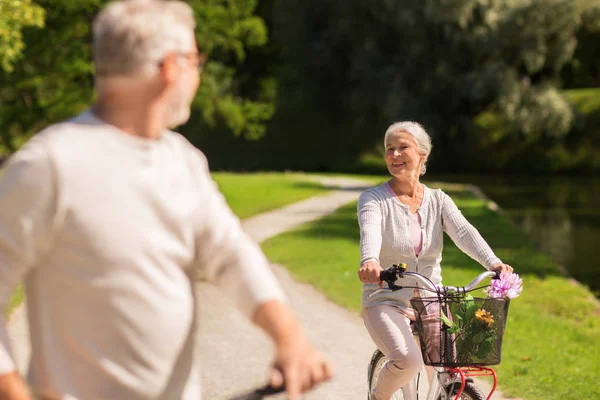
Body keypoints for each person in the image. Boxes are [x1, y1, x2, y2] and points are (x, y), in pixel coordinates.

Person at [0, 1, 332, 399]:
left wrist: (290, 339)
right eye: (196, 60)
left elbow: (230, 254)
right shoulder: (50, 164)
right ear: (171, 67)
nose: (197, 74)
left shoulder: (184, 161)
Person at [357, 121, 513, 400]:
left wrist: (494, 263)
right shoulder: (373, 200)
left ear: (422, 154)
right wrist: (370, 261)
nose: (394, 154)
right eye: (389, 149)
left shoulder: (438, 200)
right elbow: (370, 231)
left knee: (448, 373)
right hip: (385, 299)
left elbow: (465, 232)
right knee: (409, 360)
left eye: (403, 147)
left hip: (430, 298)